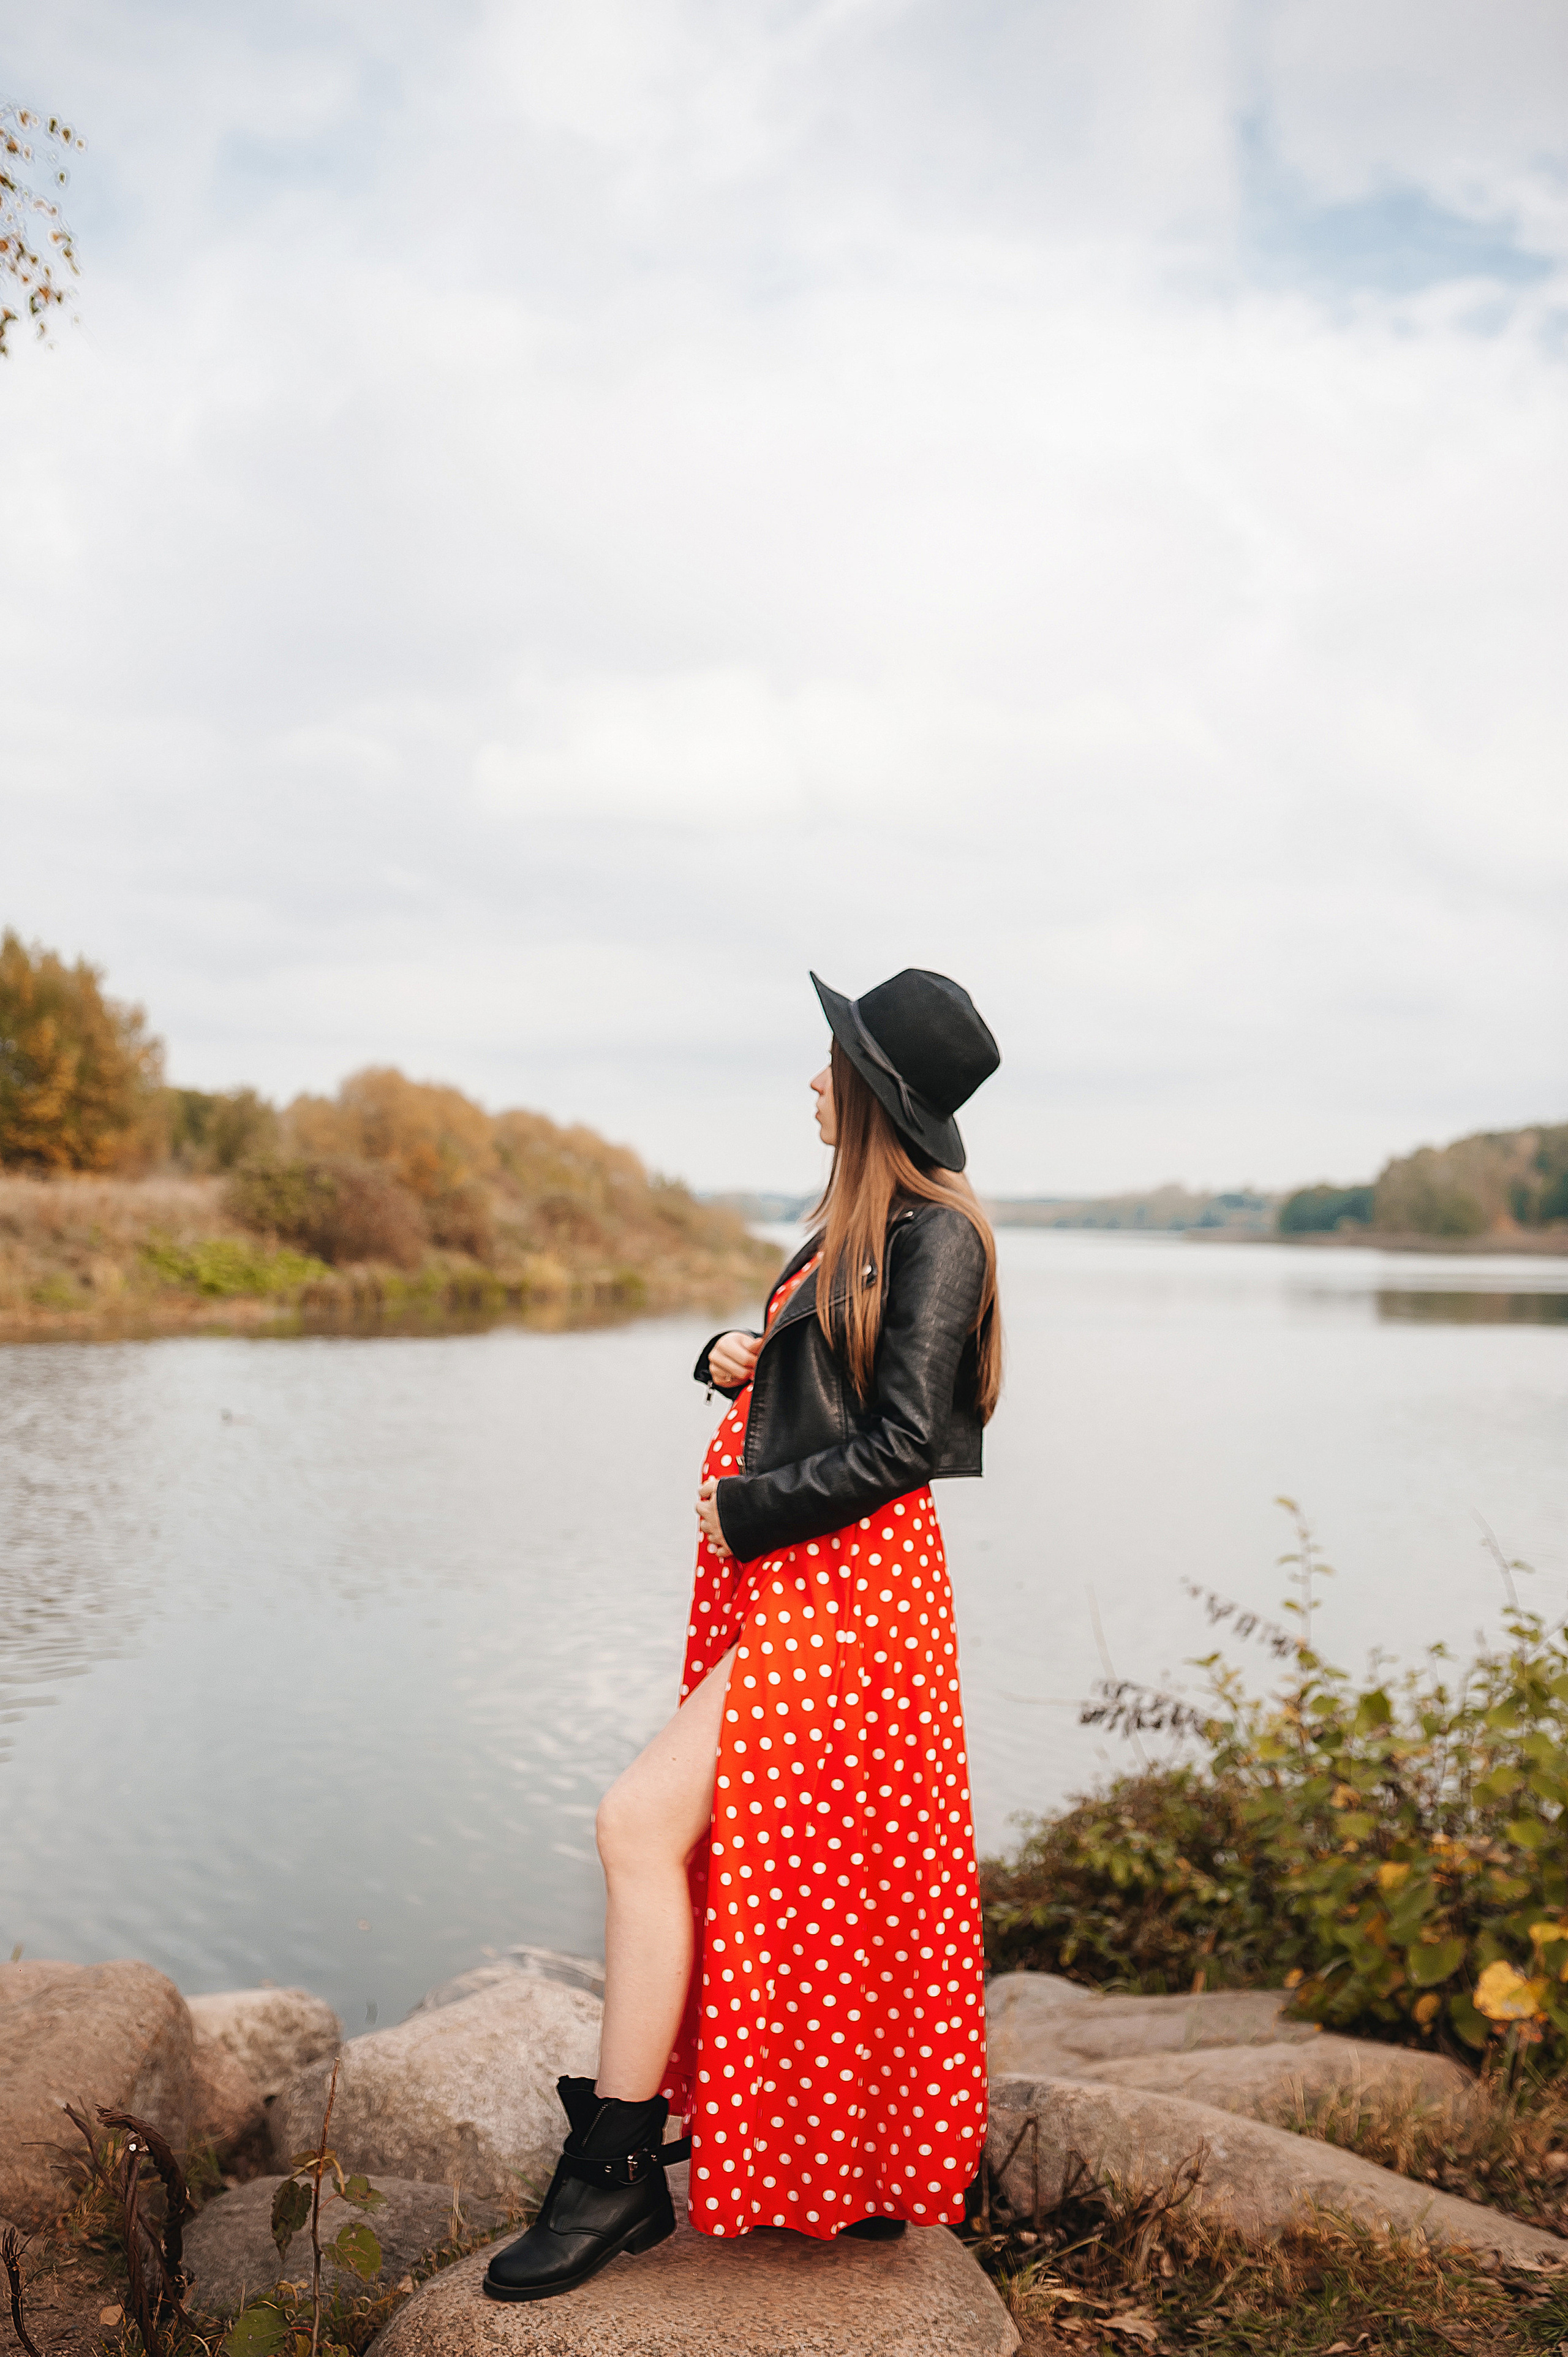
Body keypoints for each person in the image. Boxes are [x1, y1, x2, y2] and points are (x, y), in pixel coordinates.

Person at [484, 967, 1002, 2301]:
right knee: (829, 1869)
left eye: (833, 1060)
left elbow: (910, 1441)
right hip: (803, 1586)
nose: (813, 1079)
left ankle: (611, 2170)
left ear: (878, 1092)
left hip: (846, 1595)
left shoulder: (936, 1232)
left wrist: (744, 1506)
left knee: (637, 1823)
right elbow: (833, 1369)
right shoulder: (849, 1226)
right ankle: (859, 2161)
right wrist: (741, 1347)